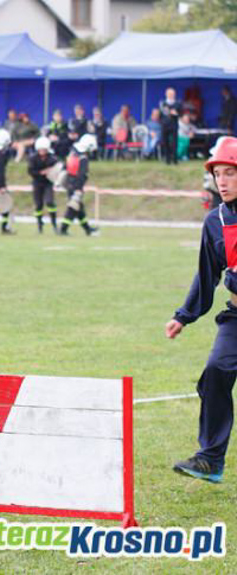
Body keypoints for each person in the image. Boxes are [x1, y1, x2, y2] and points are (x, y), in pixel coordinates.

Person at [164, 137, 237, 484]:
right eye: (218, 174)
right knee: (215, 373)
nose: (222, 181)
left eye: (230, 173)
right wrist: (184, 315)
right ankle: (210, 460)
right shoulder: (215, 221)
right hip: (236, 317)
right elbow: (207, 273)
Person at [59, 134, 99, 236]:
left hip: (69, 182)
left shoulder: (73, 153)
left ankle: (87, 229)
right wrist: (78, 189)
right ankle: (63, 228)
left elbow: (65, 167)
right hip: (76, 185)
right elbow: (81, 175)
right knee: (73, 207)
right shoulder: (83, 159)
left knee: (79, 208)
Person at [28, 136, 60, 234]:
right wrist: (40, 172)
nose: (42, 151)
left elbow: (59, 167)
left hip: (48, 183)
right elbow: (30, 171)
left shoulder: (53, 158)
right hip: (37, 183)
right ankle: (39, 225)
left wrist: (51, 172)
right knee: (38, 205)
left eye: (44, 149)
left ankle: (54, 224)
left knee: (50, 202)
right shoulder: (33, 158)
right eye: (40, 149)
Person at [160, 87, 182, 165]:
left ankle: (175, 159)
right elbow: (162, 113)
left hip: (174, 124)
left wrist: (175, 113)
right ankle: (167, 159)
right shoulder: (163, 103)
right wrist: (169, 112)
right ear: (166, 94)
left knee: (174, 142)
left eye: (172, 94)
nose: (171, 95)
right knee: (165, 142)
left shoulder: (178, 103)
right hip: (165, 125)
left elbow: (180, 113)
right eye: (169, 94)